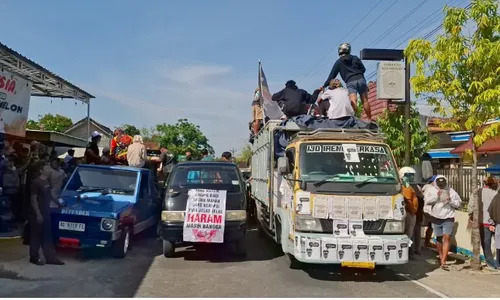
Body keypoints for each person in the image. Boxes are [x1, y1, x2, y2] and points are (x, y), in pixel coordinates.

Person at [323, 43, 371, 120]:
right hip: (361, 79)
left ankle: (354, 119)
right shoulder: (355, 58)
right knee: (365, 100)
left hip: (350, 81)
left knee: (353, 101)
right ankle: (369, 118)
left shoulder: (338, 62)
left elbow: (332, 76)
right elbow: (363, 69)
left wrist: (324, 85)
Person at [29, 161, 64, 266]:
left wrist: (59, 203)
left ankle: (51, 258)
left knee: (47, 236)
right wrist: (38, 214)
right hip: (38, 213)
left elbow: (51, 194)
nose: (49, 170)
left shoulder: (48, 181)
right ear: (41, 171)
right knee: (36, 236)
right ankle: (34, 257)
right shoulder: (36, 182)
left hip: (46, 212)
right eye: (47, 168)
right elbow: (33, 200)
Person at [424, 175, 462, 270]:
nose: (442, 186)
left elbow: (459, 203)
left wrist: (450, 200)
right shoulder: (431, 190)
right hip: (436, 217)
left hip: (448, 217)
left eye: (443, 184)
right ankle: (441, 255)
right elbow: (427, 202)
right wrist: (437, 196)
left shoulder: (451, 191)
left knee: (447, 237)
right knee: (439, 238)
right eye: (440, 184)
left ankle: (443, 261)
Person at [469, 176, 498, 269]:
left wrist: (471, 216)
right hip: (496, 222)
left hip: (483, 222)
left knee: (486, 244)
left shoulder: (477, 192)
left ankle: (491, 264)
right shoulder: (496, 193)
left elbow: (470, 207)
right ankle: (498, 263)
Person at [399, 166, 419, 259]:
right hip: (409, 213)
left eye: (411, 175)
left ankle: (408, 253)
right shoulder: (404, 187)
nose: (411, 177)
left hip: (412, 213)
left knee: (410, 234)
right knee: (408, 234)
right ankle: (407, 254)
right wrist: (411, 211)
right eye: (408, 175)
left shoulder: (409, 186)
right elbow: (407, 201)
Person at [487, 177, 500, 267]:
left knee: (499, 245)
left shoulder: (497, 197)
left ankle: (498, 263)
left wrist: (492, 223)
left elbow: (491, 210)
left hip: (498, 224)